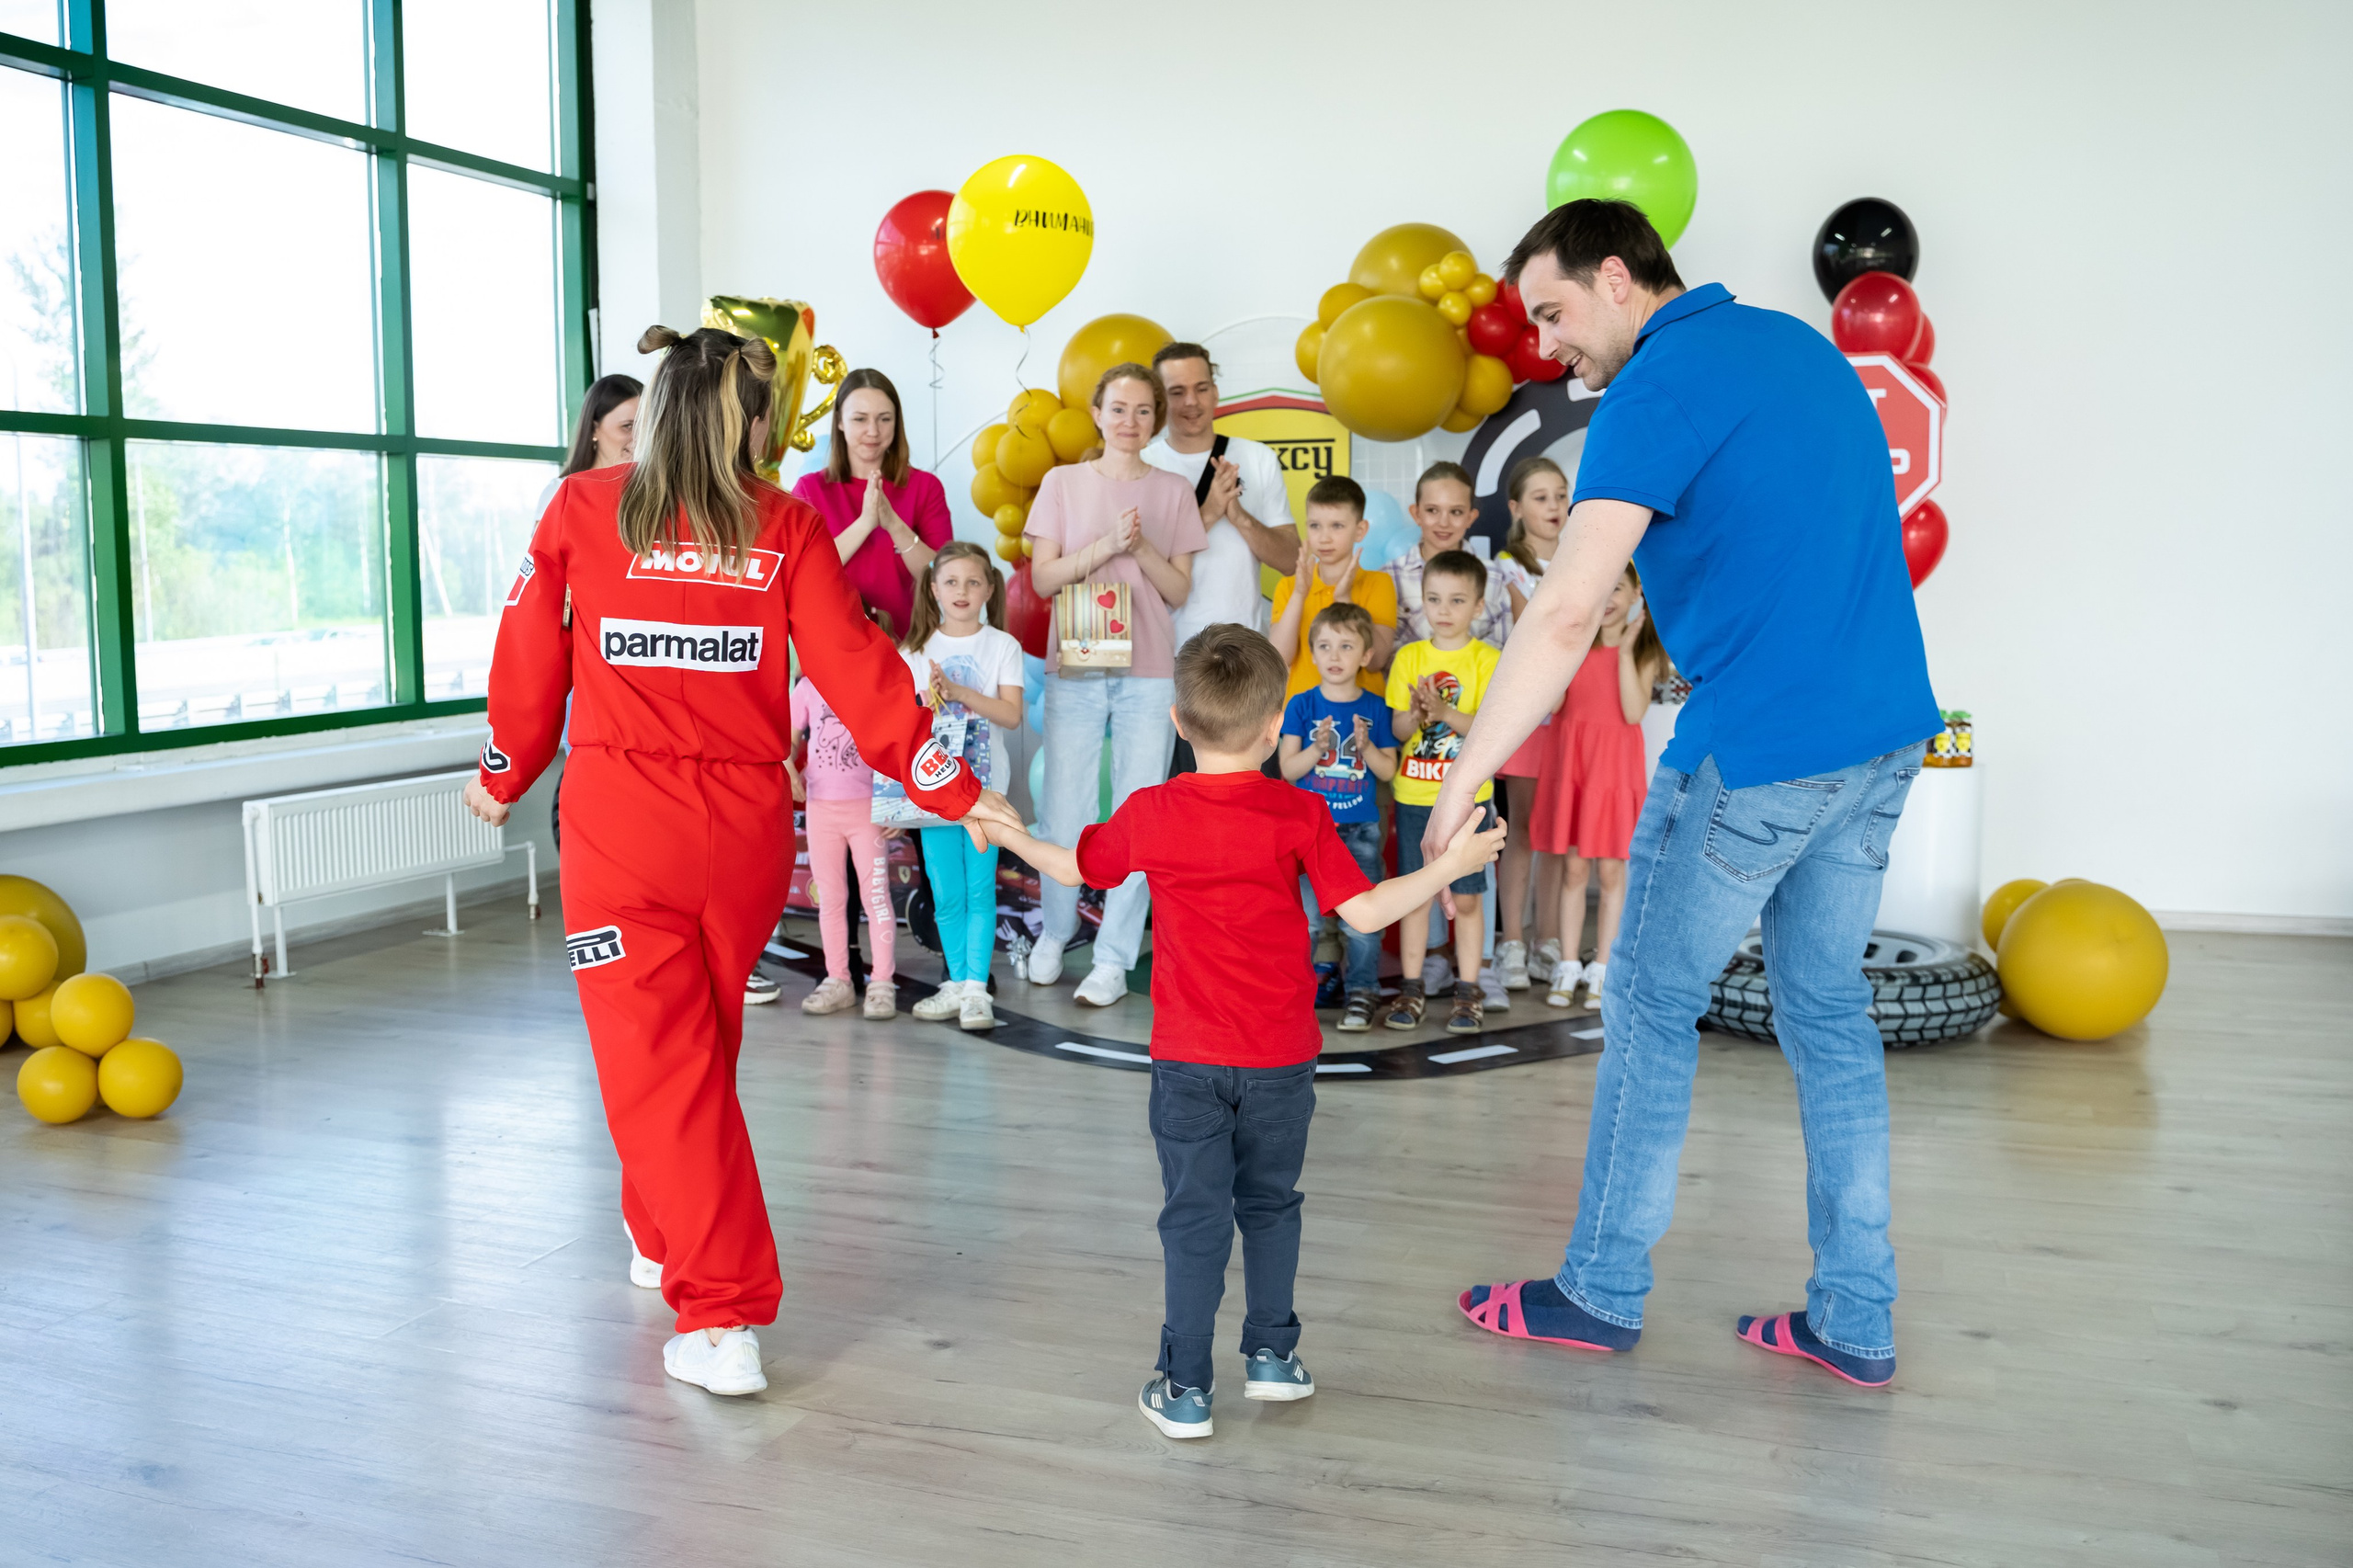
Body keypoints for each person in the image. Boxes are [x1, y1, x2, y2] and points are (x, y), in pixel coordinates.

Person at [1430, 199, 1940, 1388]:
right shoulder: (1795, 348)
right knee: (1826, 1015)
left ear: (1617, 278)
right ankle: (1856, 1317)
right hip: (1880, 737)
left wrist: (1462, 776)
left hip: (1760, 749)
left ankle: (1599, 1289)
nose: (1550, 344)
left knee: (1654, 1003)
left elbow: (1563, 609)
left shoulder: (1656, 387)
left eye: (1554, 312)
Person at [465, 324, 1016, 1399]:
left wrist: (504, 766)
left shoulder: (585, 508)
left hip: (625, 827)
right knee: (689, 1047)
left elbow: (529, 652)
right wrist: (950, 783)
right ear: (751, 423)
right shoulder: (785, 523)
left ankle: (719, 1317)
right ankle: (661, 1231)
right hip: (746, 830)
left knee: (655, 1056)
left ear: (661, 413)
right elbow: (861, 669)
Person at [974, 625, 1506, 1439]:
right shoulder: (1298, 811)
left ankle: (1186, 1388)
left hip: (1187, 1060)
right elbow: (1363, 913)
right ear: (1271, 729)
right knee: (1270, 1204)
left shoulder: (1152, 810)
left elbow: (1074, 868)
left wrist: (1004, 829)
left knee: (1193, 1219)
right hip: (1282, 1060)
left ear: (1180, 726)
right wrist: (1445, 866)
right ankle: (1271, 1357)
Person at [1021, 363, 1207, 1006]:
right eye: (1118, 409)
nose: (1131, 422)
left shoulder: (1174, 489)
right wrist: (1104, 546)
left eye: (1143, 411)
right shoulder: (1062, 482)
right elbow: (1044, 581)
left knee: (1139, 812)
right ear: (1097, 414)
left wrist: (1141, 546)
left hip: (1149, 671)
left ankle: (1113, 956)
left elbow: (1180, 590)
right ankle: (1056, 932)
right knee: (1065, 810)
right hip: (1078, 664)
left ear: (1156, 420)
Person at [1144, 344, 1301, 773]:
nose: (1191, 402)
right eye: (1176, 392)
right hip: (1164, 665)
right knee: (1180, 801)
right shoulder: (1143, 463)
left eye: (1201, 388)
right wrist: (1210, 513)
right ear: (1159, 400)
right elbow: (1139, 564)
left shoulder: (1255, 458)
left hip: (1244, 659)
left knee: (1253, 802)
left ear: (1216, 393)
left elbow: (1291, 560)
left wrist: (1239, 516)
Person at [897, 542, 1026, 1031]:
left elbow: (1012, 715)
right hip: (932, 792)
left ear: (990, 589)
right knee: (946, 892)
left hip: (986, 791)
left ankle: (977, 989)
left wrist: (960, 693)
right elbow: (905, 730)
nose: (962, 591)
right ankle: (955, 982)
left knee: (979, 888)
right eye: (951, 582)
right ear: (933, 589)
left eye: (974, 582)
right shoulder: (916, 651)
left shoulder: (1002, 647)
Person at [1381, 550, 1504, 1035]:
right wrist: (1418, 714)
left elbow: (1491, 729)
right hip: (1414, 796)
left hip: (1469, 802)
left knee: (1469, 899)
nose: (1443, 609)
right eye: (1434, 599)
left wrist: (1445, 710)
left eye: (1456, 600)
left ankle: (1468, 992)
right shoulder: (1409, 657)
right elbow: (1396, 726)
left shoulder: (1488, 660)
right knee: (1415, 896)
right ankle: (1411, 990)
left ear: (1477, 606)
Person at [1535, 563, 1665, 1010]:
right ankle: (1568, 964)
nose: (1608, 598)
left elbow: (1632, 713)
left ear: (1635, 595)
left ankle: (1604, 967)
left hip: (1613, 774)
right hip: (1576, 769)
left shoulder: (1645, 651)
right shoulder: (1574, 648)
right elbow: (1551, 704)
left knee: (1612, 873)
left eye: (1619, 589)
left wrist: (1626, 652)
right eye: (1601, 589)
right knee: (1573, 870)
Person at [1277, 602, 1396, 1031]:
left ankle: (1362, 992)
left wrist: (1365, 749)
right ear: (1311, 653)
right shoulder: (1301, 704)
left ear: (1365, 656)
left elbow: (1389, 771)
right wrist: (1317, 747)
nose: (1334, 655)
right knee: (1306, 922)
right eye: (1325, 646)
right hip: (1307, 831)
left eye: (1346, 646)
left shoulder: (1377, 707)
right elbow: (1287, 771)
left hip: (1360, 830)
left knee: (1362, 921)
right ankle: (1297, 997)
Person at [790, 368, 950, 642]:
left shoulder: (926, 487)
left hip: (913, 647)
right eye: (860, 419)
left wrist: (895, 526)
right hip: (832, 646)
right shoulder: (810, 489)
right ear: (840, 421)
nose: (873, 431)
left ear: (897, 422)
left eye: (884, 419)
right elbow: (802, 575)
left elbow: (944, 577)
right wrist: (865, 523)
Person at [1489, 458, 1570, 995]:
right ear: (1517, 509)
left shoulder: (1584, 559)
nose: (1555, 508)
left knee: (1558, 834)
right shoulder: (1506, 570)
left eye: (1561, 496)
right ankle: (1511, 940)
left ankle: (1549, 941)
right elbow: (1535, 637)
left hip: (1577, 717)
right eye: (1541, 498)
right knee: (1522, 829)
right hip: (1529, 717)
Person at [787, 674, 900, 1020]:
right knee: (831, 899)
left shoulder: (874, 684)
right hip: (821, 808)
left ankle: (882, 982)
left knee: (876, 897)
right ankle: (838, 979)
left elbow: (895, 741)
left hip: (869, 809)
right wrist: (788, 767)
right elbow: (787, 741)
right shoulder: (806, 688)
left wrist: (895, 800)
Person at [1267, 475, 1397, 699]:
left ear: (1360, 530)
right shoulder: (1289, 586)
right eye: (1315, 526)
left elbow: (1376, 661)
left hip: (1364, 720)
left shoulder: (1379, 583)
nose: (1324, 538)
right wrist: (1299, 594)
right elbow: (1279, 659)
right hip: (1302, 722)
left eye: (1337, 526)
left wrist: (1345, 598)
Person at [1386, 461, 1514, 645]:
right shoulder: (1390, 576)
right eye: (1432, 510)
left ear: (1471, 517)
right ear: (1416, 514)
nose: (1443, 522)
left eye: (1456, 512)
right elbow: (1384, 654)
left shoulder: (1493, 576)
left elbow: (1505, 650)